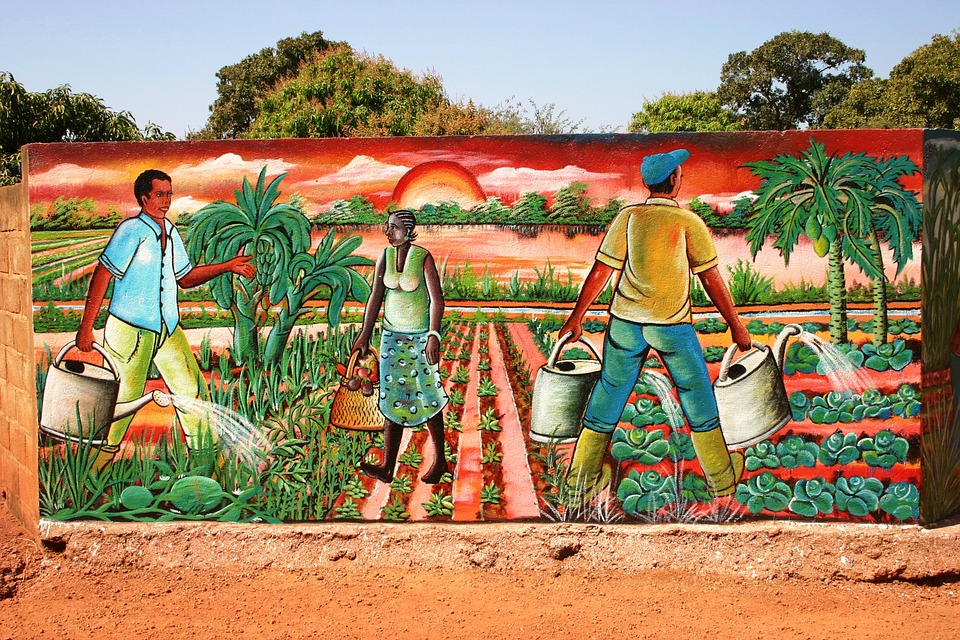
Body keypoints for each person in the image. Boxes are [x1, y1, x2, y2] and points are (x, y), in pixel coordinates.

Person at [558, 149, 752, 505]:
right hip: (671, 326)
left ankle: (579, 479)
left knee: (609, 390)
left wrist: (576, 317)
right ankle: (721, 479)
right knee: (696, 393)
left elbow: (602, 271)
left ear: (648, 183)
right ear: (675, 181)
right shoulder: (689, 223)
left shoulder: (628, 217)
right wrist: (736, 326)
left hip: (625, 323)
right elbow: (711, 279)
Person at [76, 169, 255, 472]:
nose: (166, 201)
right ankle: (94, 470)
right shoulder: (131, 231)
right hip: (130, 329)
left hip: (166, 328)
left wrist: (227, 266)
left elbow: (184, 278)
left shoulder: (170, 232)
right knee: (124, 398)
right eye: (160, 194)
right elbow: (103, 274)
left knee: (191, 391)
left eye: (169, 194)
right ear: (144, 197)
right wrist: (86, 327)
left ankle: (205, 465)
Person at [352, 209, 449, 484]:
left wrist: (433, 336)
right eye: (387, 227)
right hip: (391, 338)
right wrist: (365, 333)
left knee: (428, 394)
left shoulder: (422, 257)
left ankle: (440, 460)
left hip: (419, 338)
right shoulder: (385, 256)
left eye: (393, 227)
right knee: (391, 398)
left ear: (407, 230)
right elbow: (375, 295)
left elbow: (437, 300)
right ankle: (387, 466)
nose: (388, 231)